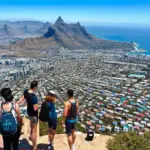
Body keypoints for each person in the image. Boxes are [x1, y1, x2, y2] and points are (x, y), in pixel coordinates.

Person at [18, 81, 38, 150]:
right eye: (36, 87)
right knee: (34, 130)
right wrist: (39, 106)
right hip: (33, 114)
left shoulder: (26, 91)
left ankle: (30, 136)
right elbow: (35, 108)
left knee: (31, 125)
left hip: (29, 112)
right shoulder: (34, 97)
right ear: (35, 87)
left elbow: (22, 97)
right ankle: (35, 147)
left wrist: (17, 103)